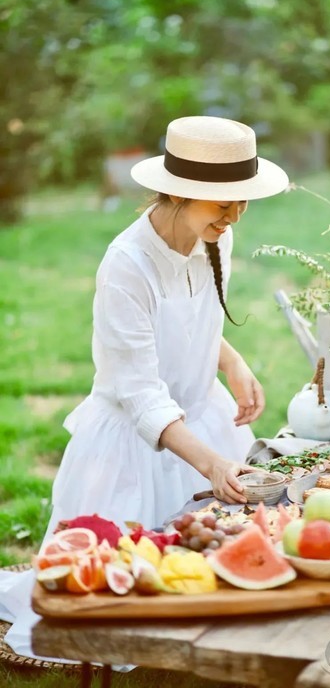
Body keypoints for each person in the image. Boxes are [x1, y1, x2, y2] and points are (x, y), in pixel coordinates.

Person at [0, 115, 289, 664]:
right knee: (123, 591)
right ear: (179, 192)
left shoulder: (214, 238)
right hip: (134, 440)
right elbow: (140, 391)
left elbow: (190, 313)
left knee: (208, 582)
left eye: (241, 203)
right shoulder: (126, 265)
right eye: (220, 205)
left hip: (199, 417)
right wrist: (211, 466)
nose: (232, 218)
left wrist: (230, 359)